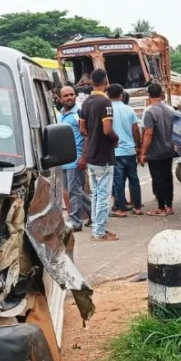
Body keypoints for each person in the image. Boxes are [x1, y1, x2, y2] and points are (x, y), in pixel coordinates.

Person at [79, 68, 120, 241]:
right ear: (106, 81)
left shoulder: (86, 103)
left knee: (95, 194)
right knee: (103, 195)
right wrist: (115, 138)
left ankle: (97, 227)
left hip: (92, 155)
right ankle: (99, 232)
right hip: (104, 155)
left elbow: (83, 129)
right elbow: (107, 129)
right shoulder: (105, 103)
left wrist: (92, 136)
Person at [58, 86, 91, 232]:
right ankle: (95, 212)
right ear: (60, 99)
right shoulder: (61, 114)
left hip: (75, 158)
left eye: (71, 95)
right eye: (66, 96)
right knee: (74, 190)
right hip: (64, 159)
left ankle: (76, 222)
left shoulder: (78, 113)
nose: (69, 97)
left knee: (73, 191)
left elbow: (86, 136)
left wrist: (84, 157)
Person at [139, 83, 176, 216]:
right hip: (168, 150)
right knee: (168, 177)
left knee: (158, 178)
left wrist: (143, 153)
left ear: (149, 95)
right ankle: (169, 206)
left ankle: (161, 208)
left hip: (155, 151)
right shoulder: (170, 110)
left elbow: (148, 133)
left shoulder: (149, 111)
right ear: (161, 94)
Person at [107, 84, 142, 217]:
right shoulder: (129, 110)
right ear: (121, 94)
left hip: (115, 151)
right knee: (134, 179)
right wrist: (137, 146)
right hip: (129, 150)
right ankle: (137, 208)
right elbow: (135, 130)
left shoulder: (108, 110)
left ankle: (121, 209)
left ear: (108, 95)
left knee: (118, 181)